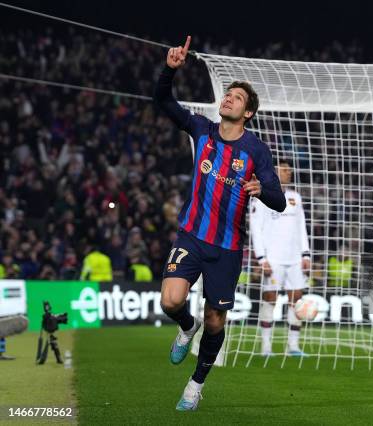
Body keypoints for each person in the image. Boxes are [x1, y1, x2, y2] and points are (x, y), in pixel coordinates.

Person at [154, 36, 286, 411]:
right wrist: (170, 69)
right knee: (171, 301)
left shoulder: (257, 151)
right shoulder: (201, 129)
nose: (228, 98)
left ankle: (195, 385)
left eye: (237, 98)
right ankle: (184, 326)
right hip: (192, 236)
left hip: (227, 249)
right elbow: (162, 101)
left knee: (215, 321)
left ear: (247, 113)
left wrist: (263, 190)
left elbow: (277, 200)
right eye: (227, 94)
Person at [250, 160, 311, 356]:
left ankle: (293, 346)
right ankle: (266, 346)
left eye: (289, 169)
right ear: (274, 172)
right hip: (273, 259)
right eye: (284, 170)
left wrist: (306, 254)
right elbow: (255, 230)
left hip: (294, 259)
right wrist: (261, 258)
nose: (289, 172)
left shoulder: (295, 197)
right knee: (270, 299)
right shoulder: (260, 198)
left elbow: (301, 227)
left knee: (297, 300)